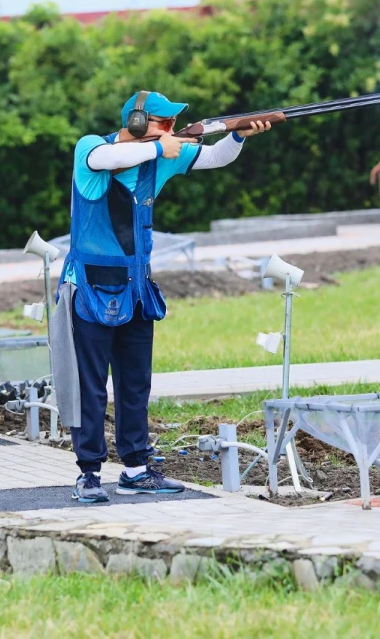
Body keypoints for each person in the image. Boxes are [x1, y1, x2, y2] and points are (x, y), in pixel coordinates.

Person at [64, 91, 270, 503]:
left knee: (136, 383)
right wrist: (159, 146)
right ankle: (88, 473)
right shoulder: (93, 146)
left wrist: (239, 137)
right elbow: (105, 159)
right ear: (137, 122)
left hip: (137, 287)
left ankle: (136, 468)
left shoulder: (161, 155)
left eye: (174, 125)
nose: (172, 131)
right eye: (163, 123)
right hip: (91, 286)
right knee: (91, 385)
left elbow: (215, 158)